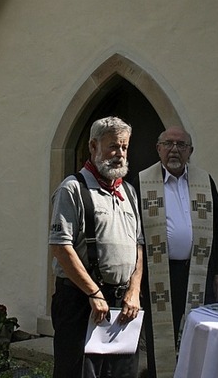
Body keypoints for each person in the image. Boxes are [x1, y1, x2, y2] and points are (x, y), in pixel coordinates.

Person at [49, 116, 144, 378]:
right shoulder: (73, 189)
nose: (120, 154)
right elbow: (61, 247)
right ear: (93, 147)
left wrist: (134, 290)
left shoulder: (129, 191)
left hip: (122, 304)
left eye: (124, 147)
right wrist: (93, 292)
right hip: (80, 302)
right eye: (113, 146)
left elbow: (138, 245)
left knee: (120, 374)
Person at [138, 126, 218, 377]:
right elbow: (134, 236)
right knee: (162, 341)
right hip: (159, 275)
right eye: (168, 144)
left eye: (181, 145)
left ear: (190, 151)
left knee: (199, 337)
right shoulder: (142, 183)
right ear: (158, 148)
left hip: (199, 274)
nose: (174, 150)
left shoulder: (204, 181)